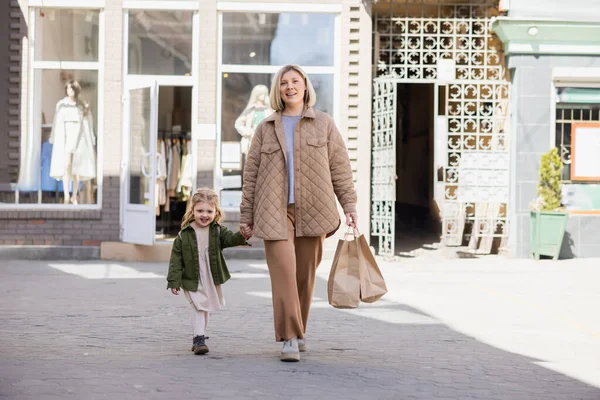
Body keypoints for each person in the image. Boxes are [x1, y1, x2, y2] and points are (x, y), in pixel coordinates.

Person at [240, 64, 358, 362]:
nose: (289, 87)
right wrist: (246, 215)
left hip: (314, 209)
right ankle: (290, 338)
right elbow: (250, 175)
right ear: (277, 90)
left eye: (295, 81)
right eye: (283, 83)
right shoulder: (265, 128)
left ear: (305, 86)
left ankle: (299, 330)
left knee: (304, 277)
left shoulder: (324, 124)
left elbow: (340, 169)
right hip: (273, 211)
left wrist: (350, 206)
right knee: (283, 275)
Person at [167, 188, 250, 355]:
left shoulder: (217, 230)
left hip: (210, 277)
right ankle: (199, 338)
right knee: (198, 307)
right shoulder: (184, 235)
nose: (204, 215)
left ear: (216, 212)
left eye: (209, 211)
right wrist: (174, 281)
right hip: (192, 278)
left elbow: (231, 239)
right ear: (192, 211)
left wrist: (243, 235)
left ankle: (200, 336)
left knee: (205, 307)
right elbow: (176, 260)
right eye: (200, 211)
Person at [49, 80, 96, 204]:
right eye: (68, 89)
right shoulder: (62, 105)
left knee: (76, 170)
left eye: (72, 89)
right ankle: (66, 195)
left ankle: (74, 195)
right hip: (66, 139)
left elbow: (88, 123)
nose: (70, 91)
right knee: (66, 167)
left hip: (78, 140)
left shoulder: (82, 105)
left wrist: (91, 138)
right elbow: (56, 122)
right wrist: (53, 137)